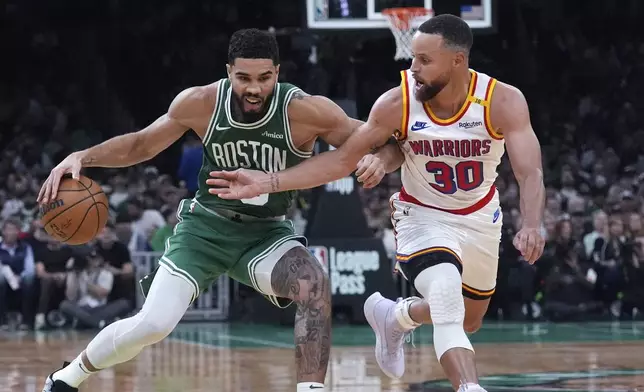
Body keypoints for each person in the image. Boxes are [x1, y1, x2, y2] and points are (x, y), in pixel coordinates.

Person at [207, 15, 546, 392]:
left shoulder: (502, 101)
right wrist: (268, 180)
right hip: (422, 216)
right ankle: (469, 386)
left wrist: (531, 223)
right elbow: (340, 160)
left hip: (480, 217)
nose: (413, 67)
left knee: (469, 320)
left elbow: (529, 172)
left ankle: (396, 316)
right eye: (412, 57)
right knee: (447, 295)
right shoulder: (397, 102)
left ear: (457, 61)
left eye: (424, 60)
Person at [37, 28, 386, 392]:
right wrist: (83, 156)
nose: (254, 88)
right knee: (153, 325)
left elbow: (381, 139)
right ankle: (67, 377)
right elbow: (141, 145)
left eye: (264, 78)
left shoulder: (305, 111)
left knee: (313, 285)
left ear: (278, 73)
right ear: (228, 70)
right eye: (244, 78)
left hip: (265, 233)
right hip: (205, 228)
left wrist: (378, 159)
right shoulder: (201, 103)